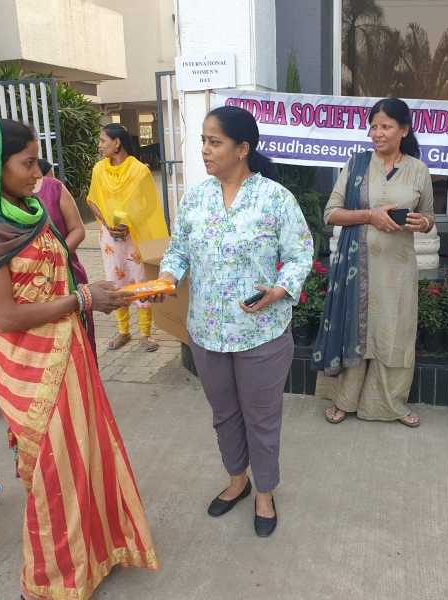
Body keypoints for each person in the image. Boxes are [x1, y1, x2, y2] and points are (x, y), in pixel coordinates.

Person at [0, 118, 158, 600]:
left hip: (70, 350)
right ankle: (51, 580)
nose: (37, 173)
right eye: (27, 163)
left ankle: (96, 553)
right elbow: (5, 316)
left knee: (85, 454)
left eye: (37, 161)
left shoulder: (28, 210)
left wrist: (98, 294)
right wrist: (83, 299)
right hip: (29, 364)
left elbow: (54, 278)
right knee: (53, 471)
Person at [154, 106, 313, 537]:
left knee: (261, 418)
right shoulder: (196, 199)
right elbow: (179, 251)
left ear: (242, 149)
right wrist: (167, 277)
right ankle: (237, 481)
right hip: (206, 332)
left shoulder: (275, 199)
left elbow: (300, 254)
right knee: (224, 414)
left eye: (214, 142)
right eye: (203, 141)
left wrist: (279, 290)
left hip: (261, 333)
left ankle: (265, 492)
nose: (205, 150)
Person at [312, 98, 435, 428]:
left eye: (385, 126)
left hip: (398, 268)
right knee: (355, 329)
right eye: (373, 126)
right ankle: (344, 399)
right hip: (357, 267)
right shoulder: (356, 164)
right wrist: (370, 216)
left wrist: (422, 223)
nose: (377, 133)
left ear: (404, 130)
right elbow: (330, 213)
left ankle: (390, 402)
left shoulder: (419, 170)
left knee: (394, 332)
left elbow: (428, 216)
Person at [87, 123, 168, 352]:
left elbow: (149, 205)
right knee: (115, 281)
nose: (99, 145)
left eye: (102, 140)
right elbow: (93, 199)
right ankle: (123, 330)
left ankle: (146, 333)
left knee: (140, 280)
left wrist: (129, 224)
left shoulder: (139, 170)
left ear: (117, 143)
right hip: (110, 238)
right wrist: (106, 223)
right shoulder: (99, 170)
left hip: (135, 235)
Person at [34, 158, 96, 357]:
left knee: (80, 347)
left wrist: (55, 258)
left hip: (68, 275)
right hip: (30, 289)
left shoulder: (54, 188)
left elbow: (78, 229)